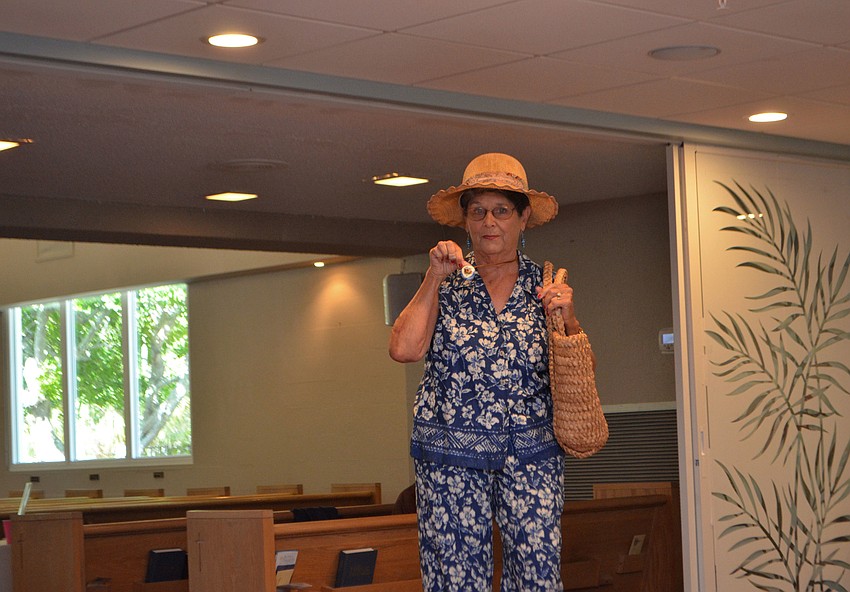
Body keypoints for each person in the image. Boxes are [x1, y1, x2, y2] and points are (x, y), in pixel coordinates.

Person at [388, 153, 586, 591]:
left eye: (501, 211)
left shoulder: (546, 286)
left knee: (537, 575)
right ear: (465, 221)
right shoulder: (446, 283)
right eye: (477, 212)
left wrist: (569, 317)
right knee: (455, 580)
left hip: (531, 454)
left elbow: (578, 369)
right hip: (449, 456)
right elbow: (403, 349)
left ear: (523, 217)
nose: (488, 222)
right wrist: (433, 278)